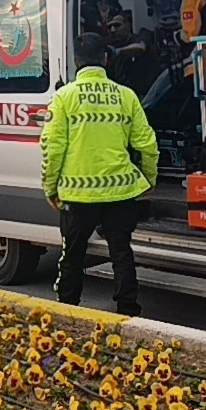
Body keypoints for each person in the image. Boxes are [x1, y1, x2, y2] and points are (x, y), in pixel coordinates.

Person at [40, 32, 159, 316]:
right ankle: (127, 308)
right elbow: (147, 144)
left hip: (77, 194)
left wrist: (50, 187)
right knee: (121, 251)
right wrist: (148, 179)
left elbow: (52, 148)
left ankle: (68, 309)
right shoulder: (126, 96)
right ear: (106, 59)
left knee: (72, 254)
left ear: (76, 61)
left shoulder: (63, 97)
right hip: (120, 190)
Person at [105, 14, 159, 98]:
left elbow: (140, 48)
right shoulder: (109, 46)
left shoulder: (141, 38)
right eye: (109, 27)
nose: (113, 30)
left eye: (117, 25)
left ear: (128, 26)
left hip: (144, 95)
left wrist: (117, 52)